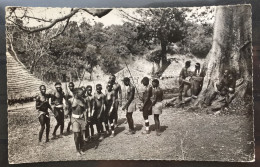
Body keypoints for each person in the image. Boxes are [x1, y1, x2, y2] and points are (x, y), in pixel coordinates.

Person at [68, 88, 87, 156]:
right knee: (77, 135)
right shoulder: (70, 100)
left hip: (81, 118)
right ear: (76, 93)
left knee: (81, 135)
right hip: (74, 119)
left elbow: (85, 110)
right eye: (80, 93)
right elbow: (68, 111)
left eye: (82, 93)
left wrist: (86, 119)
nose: (82, 94)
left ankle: (81, 149)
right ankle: (77, 150)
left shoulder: (83, 100)